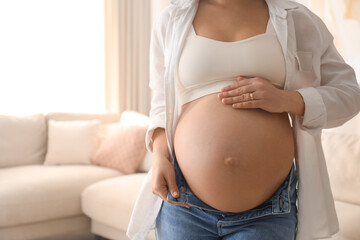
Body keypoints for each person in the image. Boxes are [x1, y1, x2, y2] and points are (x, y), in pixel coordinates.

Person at [126, 0, 360, 239]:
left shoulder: (297, 19)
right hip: (184, 203)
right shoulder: (172, 19)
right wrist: (159, 155)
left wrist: (289, 100)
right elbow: (161, 102)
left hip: (269, 211)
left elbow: (350, 94)